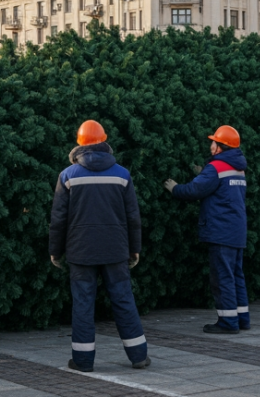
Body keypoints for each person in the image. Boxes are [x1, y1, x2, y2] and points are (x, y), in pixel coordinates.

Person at [49, 120, 149, 372]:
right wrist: (134, 248)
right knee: (124, 300)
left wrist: (55, 250)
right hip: (115, 249)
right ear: (104, 142)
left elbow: (58, 219)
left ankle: (82, 361)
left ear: (79, 143)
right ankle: (139, 356)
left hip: (80, 250)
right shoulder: (122, 174)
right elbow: (132, 217)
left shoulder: (67, 175)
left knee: (83, 304)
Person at [163, 125, 249, 333]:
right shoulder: (238, 167)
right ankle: (241, 318)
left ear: (220, 147)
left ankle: (228, 322)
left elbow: (195, 190)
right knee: (236, 274)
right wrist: (204, 173)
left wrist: (175, 188)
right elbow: (221, 189)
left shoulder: (216, 167)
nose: (210, 145)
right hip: (236, 230)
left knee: (222, 277)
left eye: (213, 142)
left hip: (220, 231)